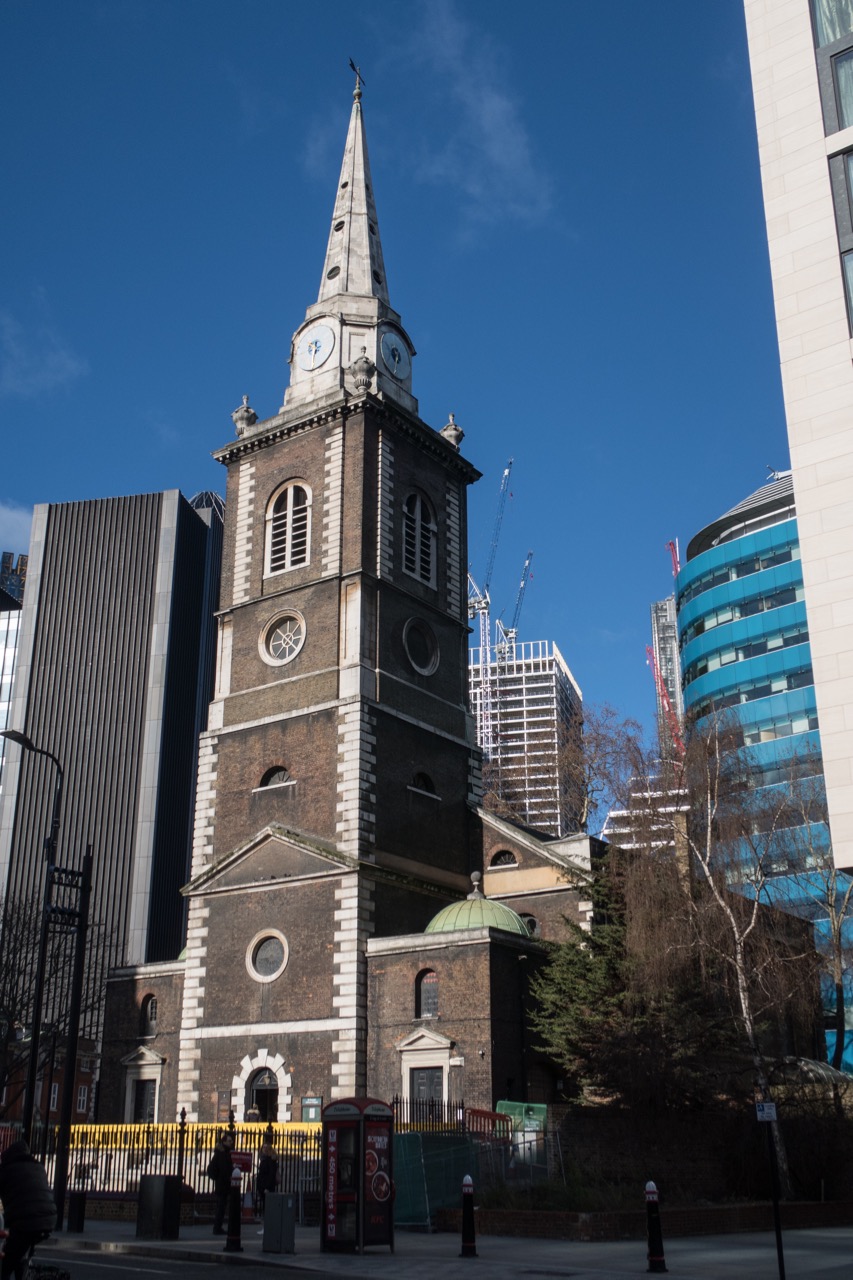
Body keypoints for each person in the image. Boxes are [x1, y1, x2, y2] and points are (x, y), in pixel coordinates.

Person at [0, 1139, 57, 1280]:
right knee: (21, 1255)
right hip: (49, 1219)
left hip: (26, 1222)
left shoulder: (7, 1169)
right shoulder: (38, 1166)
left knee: (4, 1265)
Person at [207, 1131, 234, 1235]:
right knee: (221, 1208)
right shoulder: (223, 1154)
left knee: (221, 1207)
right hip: (223, 1184)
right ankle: (217, 1228)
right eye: (229, 1141)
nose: (231, 1143)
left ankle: (218, 1227)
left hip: (221, 1184)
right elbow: (224, 1170)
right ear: (224, 1142)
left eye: (231, 1141)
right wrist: (229, 1177)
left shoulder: (224, 1153)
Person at [255, 1142, 278, 1219]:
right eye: (263, 1147)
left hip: (267, 1187)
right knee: (266, 1205)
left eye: (266, 1148)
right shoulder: (263, 1160)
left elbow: (271, 1175)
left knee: (267, 1206)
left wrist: (267, 1187)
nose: (264, 1149)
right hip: (263, 1186)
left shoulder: (270, 1160)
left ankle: (267, 1226)